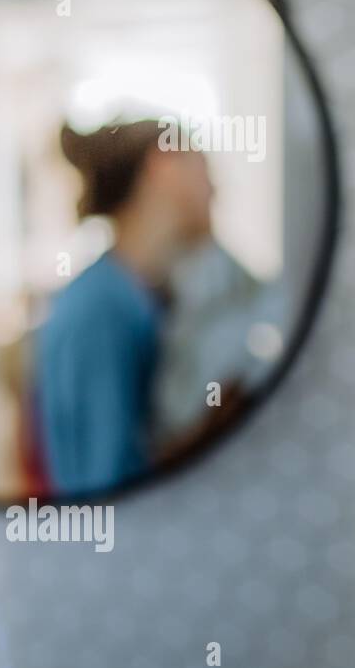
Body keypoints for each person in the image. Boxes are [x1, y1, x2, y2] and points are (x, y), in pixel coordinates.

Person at [28, 119, 215, 496]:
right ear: (164, 164)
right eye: (204, 168)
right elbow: (104, 487)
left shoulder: (139, 293)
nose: (214, 189)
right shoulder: (101, 307)